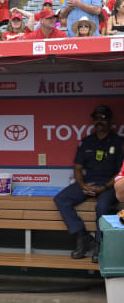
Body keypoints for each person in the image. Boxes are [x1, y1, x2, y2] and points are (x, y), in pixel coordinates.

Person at [54, 105, 122, 263]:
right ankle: (83, 237)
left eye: (103, 118)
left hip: (109, 185)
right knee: (61, 199)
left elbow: (121, 173)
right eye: (96, 118)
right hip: (89, 182)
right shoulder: (86, 142)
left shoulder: (118, 142)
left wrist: (104, 187)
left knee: (102, 206)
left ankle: (99, 244)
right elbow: (77, 168)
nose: (99, 121)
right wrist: (84, 185)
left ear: (110, 121)